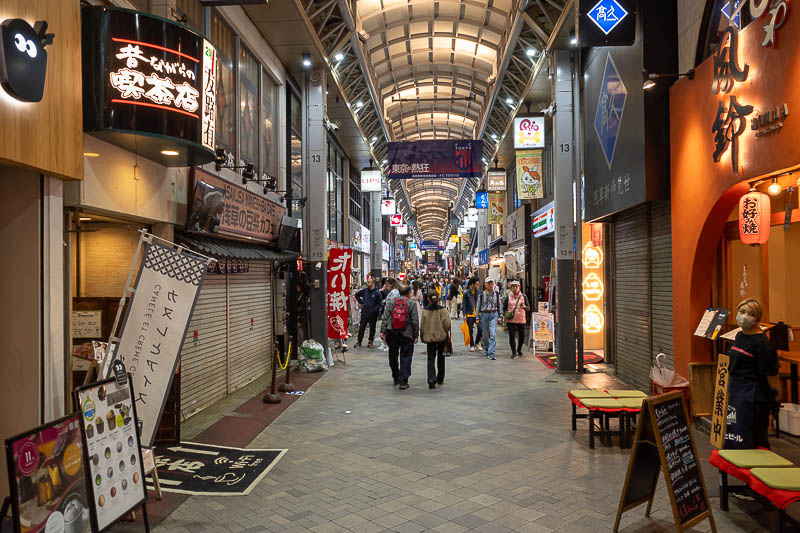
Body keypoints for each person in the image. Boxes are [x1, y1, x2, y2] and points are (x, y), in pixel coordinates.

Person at [724, 298, 779, 449]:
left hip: (754, 398)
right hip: (737, 393)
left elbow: (771, 373)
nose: (745, 316)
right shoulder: (740, 336)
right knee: (736, 434)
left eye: (751, 314)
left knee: (756, 438)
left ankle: (760, 470)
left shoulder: (761, 342)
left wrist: (774, 397)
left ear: (757, 318)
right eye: (742, 312)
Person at [380, 285, 419, 389]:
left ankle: (395, 376)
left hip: (392, 332)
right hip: (407, 333)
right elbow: (415, 320)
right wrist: (416, 334)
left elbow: (385, 317)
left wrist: (383, 331)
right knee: (406, 356)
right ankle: (403, 381)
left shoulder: (392, 302)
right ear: (408, 293)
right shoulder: (411, 303)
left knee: (392, 355)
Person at [420, 292, 451, 389]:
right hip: (441, 337)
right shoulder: (443, 310)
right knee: (441, 358)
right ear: (438, 298)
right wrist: (444, 332)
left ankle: (431, 378)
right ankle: (440, 377)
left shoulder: (425, 311)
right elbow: (447, 323)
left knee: (430, 358)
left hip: (430, 338)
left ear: (428, 299)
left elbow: (422, 326)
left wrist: (423, 337)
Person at [503, 280, 530, 359]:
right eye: (513, 286)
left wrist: (524, 307)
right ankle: (514, 352)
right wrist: (506, 314)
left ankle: (519, 349)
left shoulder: (523, 296)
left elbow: (528, 308)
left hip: (521, 319)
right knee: (512, 335)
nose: (515, 288)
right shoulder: (508, 297)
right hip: (511, 319)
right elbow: (504, 307)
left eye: (516, 286)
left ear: (519, 287)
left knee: (522, 336)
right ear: (511, 288)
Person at [354, 279, 384, 348]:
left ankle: (370, 341)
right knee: (362, 327)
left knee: (372, 328)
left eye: (369, 282)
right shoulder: (365, 290)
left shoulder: (377, 292)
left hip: (373, 314)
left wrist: (375, 310)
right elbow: (357, 294)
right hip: (365, 312)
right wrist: (361, 302)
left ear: (373, 283)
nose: (367, 283)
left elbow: (380, 303)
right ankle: (359, 341)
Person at [476, 278, 500, 360]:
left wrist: (500, 316)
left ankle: (491, 353)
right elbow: (478, 306)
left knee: (493, 334)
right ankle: (487, 348)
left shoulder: (496, 294)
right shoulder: (481, 295)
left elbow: (499, 305)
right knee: (485, 335)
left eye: (491, 283)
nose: (490, 285)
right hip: (484, 315)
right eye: (488, 283)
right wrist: (477, 317)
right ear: (485, 284)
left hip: (494, 314)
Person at [462, 277, 480, 352]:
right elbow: (464, 304)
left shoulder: (479, 292)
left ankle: (477, 343)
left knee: (481, 329)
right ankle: (472, 345)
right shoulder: (466, 293)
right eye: (477, 284)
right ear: (472, 284)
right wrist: (464, 315)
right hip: (469, 314)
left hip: (478, 314)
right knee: (470, 331)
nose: (478, 286)